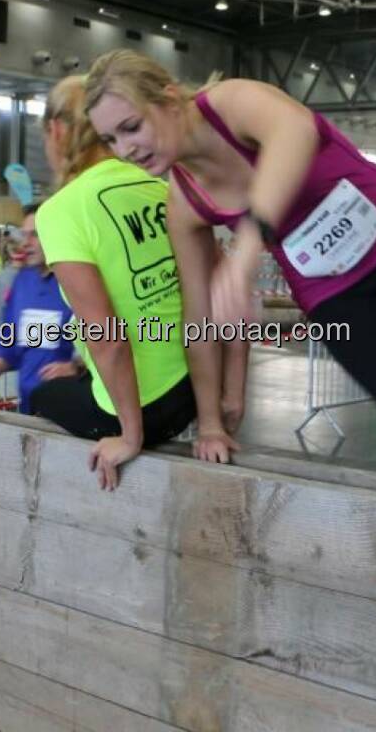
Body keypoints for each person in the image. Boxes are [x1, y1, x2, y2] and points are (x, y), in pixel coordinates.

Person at [81, 50, 376, 504]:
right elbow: (198, 319)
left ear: (168, 98)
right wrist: (211, 423)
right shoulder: (183, 204)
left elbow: (294, 130)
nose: (126, 150)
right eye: (111, 140)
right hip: (340, 297)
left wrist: (247, 244)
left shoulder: (229, 102)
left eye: (131, 127)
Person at [31, 76, 224, 493]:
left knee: (42, 394)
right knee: (74, 376)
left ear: (58, 131)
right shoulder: (162, 187)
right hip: (198, 387)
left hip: (149, 412)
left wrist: (129, 435)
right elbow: (221, 286)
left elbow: (109, 336)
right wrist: (222, 412)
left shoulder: (60, 211)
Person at [0, 206, 80, 414]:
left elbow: (112, 340)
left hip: (71, 412)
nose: (26, 243)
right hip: (29, 408)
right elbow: (8, 347)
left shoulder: (79, 282)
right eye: (25, 235)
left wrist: (77, 368)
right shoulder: (23, 281)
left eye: (35, 235)